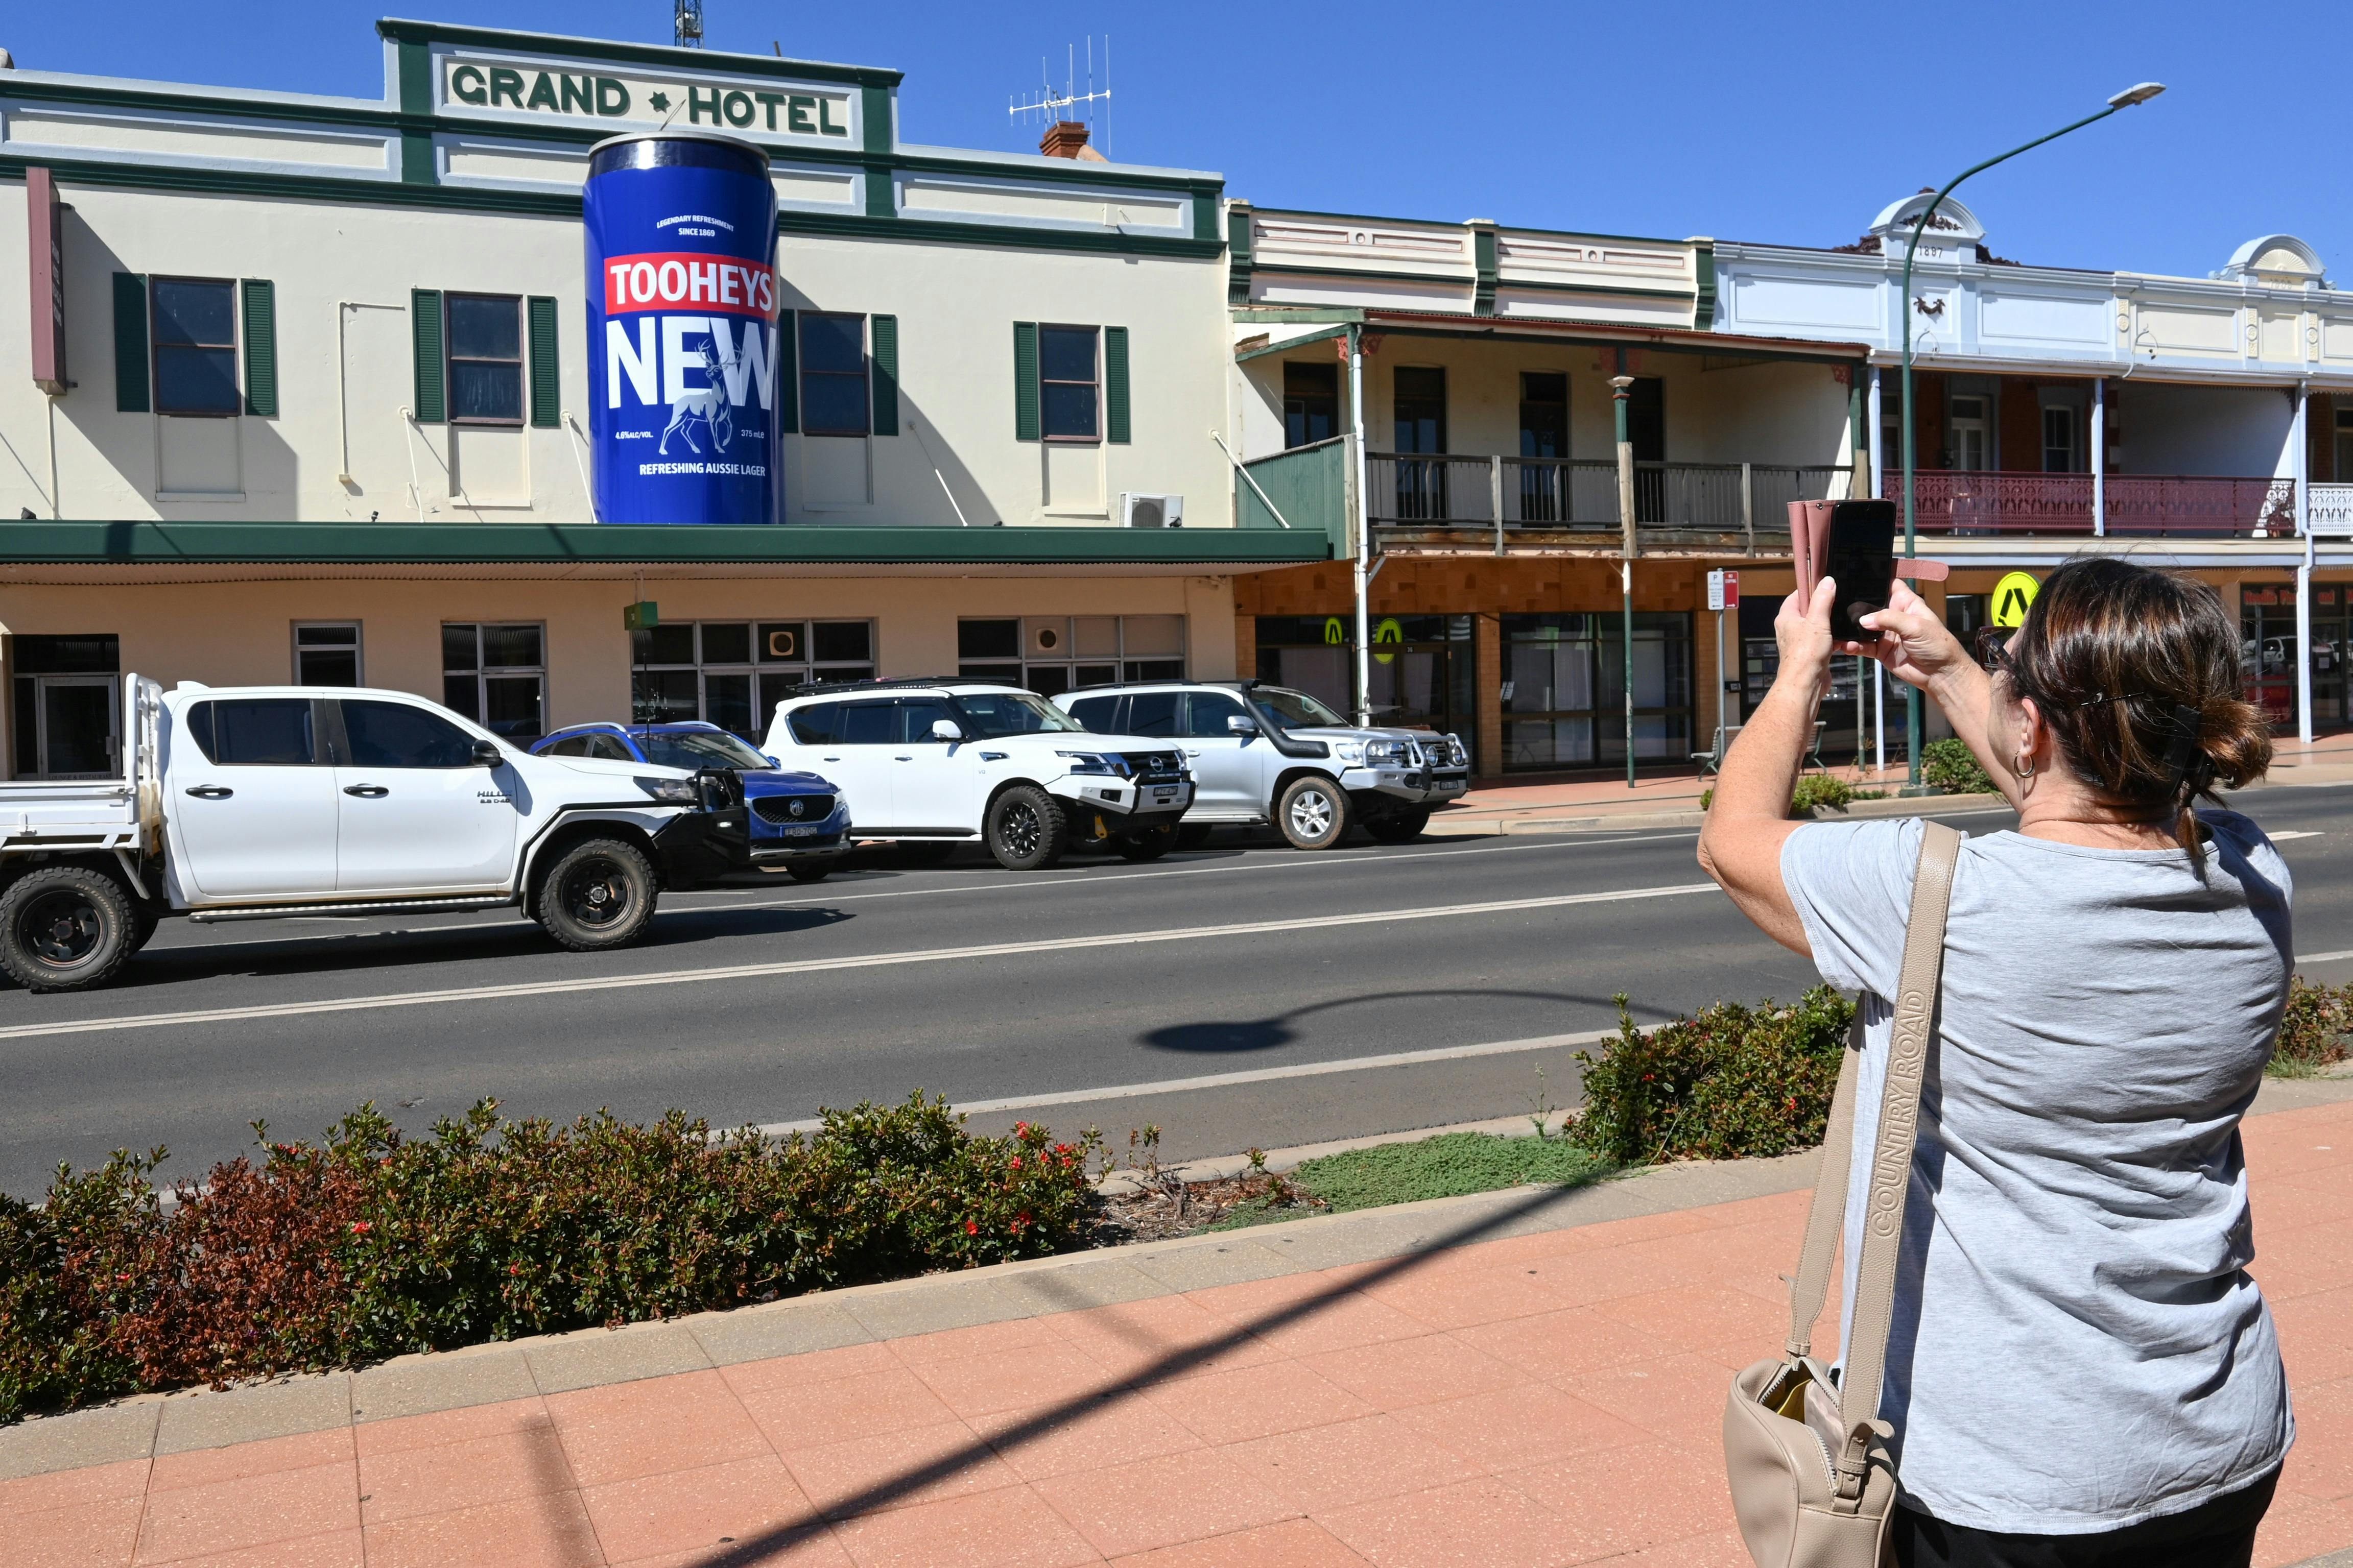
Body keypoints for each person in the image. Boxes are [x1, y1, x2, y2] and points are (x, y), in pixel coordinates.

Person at [1698, 557, 2292, 1567]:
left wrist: (1798, 667)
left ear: (2033, 726)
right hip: (2216, 1436)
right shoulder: (2252, 876)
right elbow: (2087, 793)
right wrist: (1945, 671)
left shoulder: (1944, 899)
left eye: (2005, 669)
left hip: (2011, 1483)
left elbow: (1733, 839)